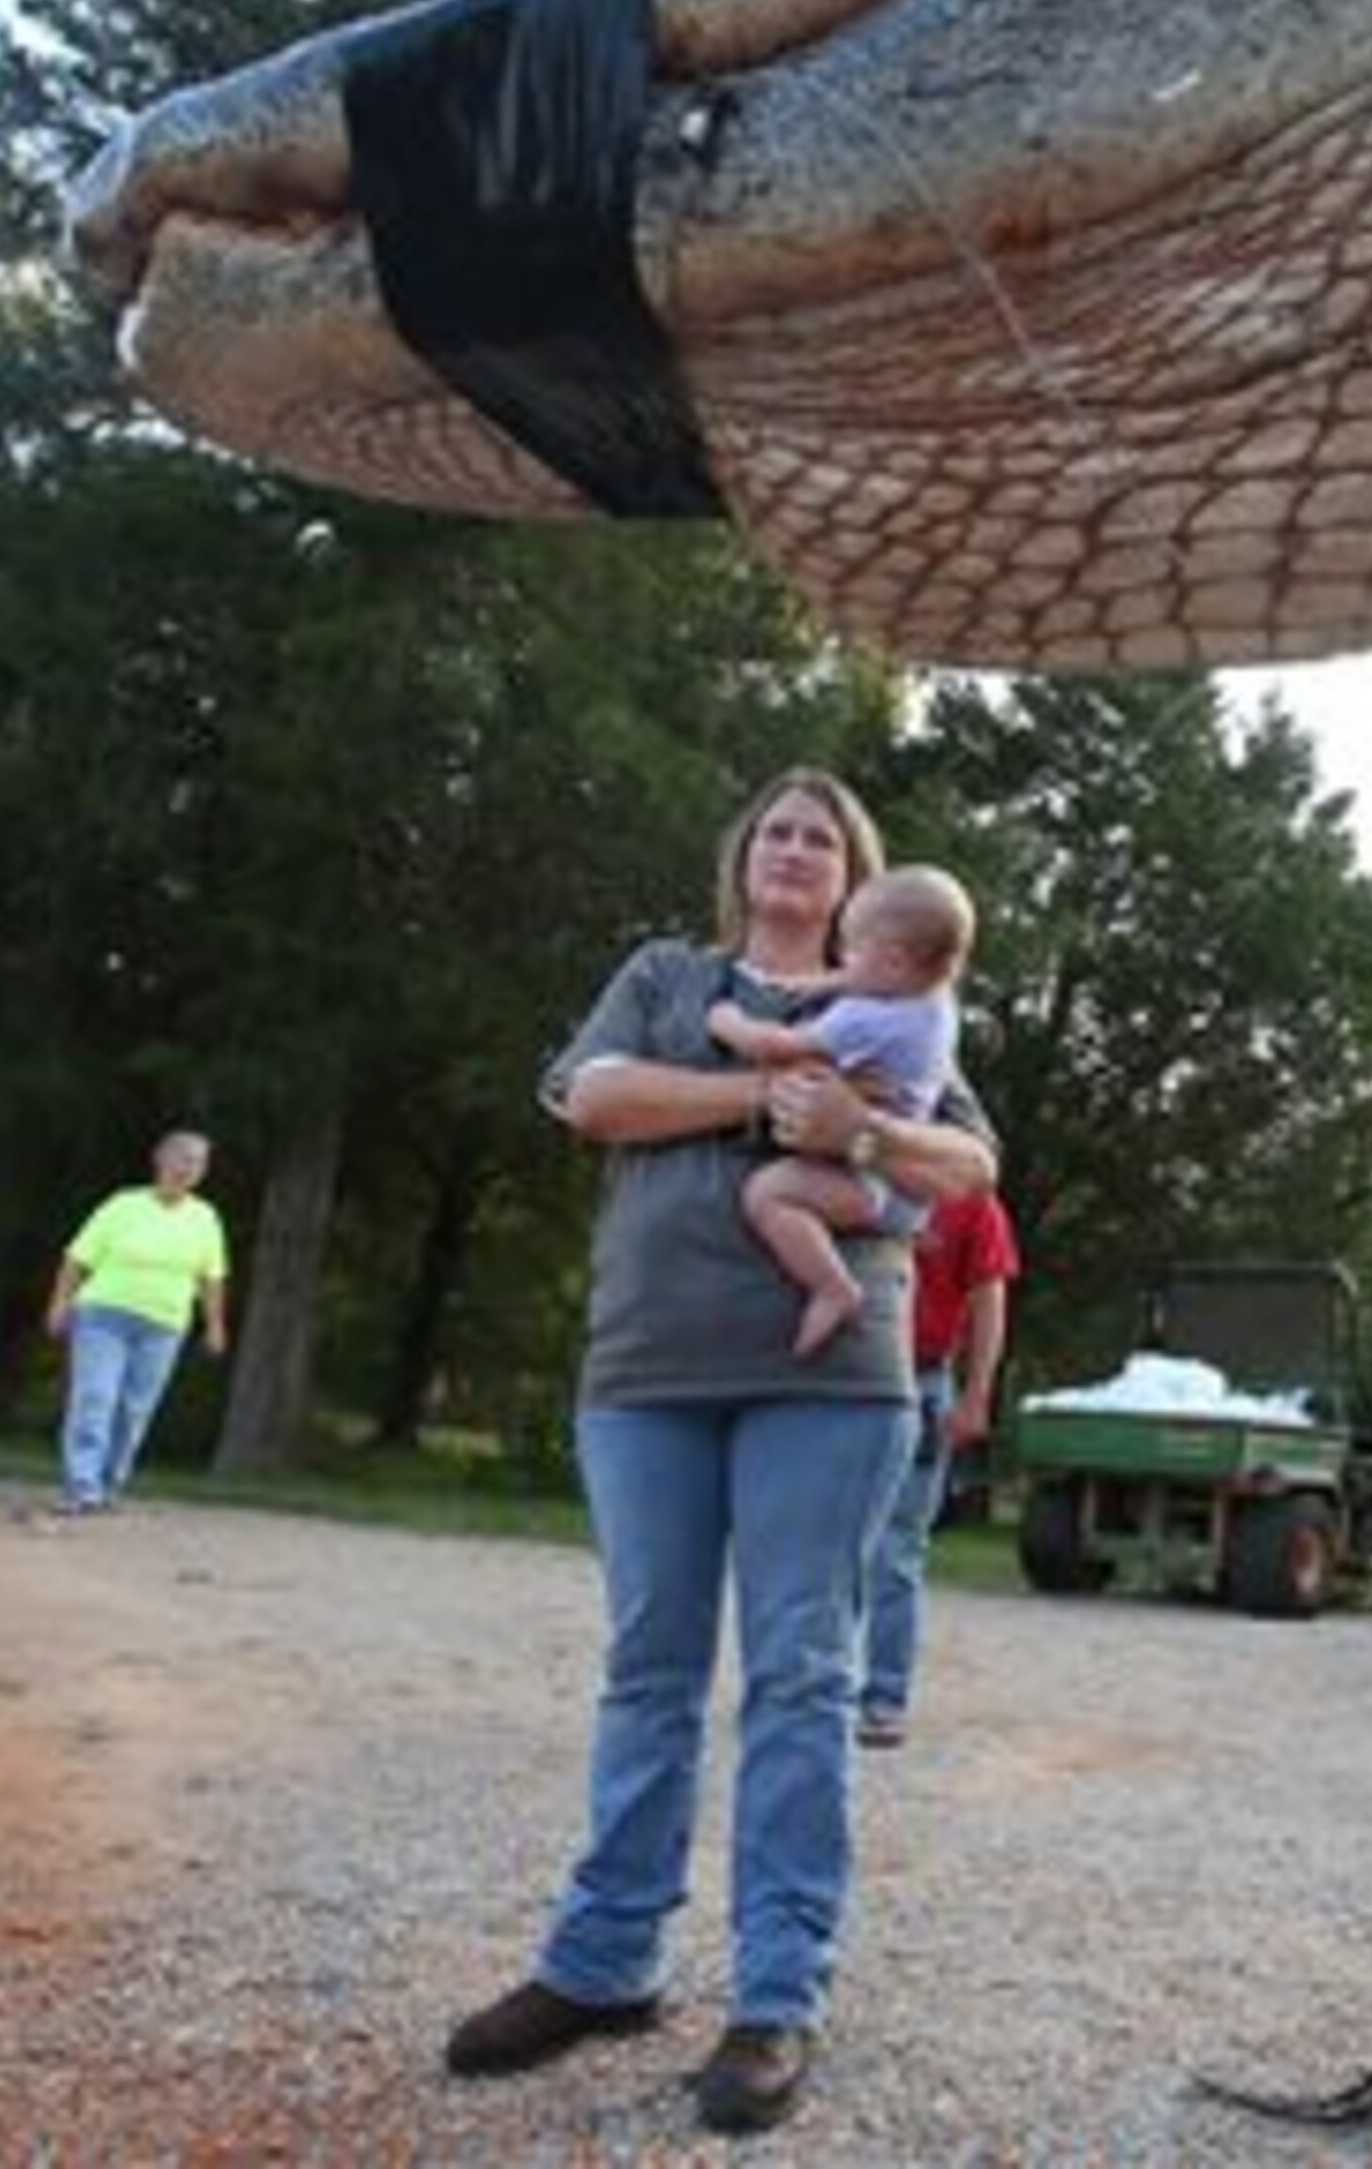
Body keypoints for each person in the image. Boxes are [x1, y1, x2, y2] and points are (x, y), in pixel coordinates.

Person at [445, 768, 994, 2138]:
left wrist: (859, 1126)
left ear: (863, 885)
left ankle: (775, 1996)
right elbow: (593, 1096)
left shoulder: (898, 1004)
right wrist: (765, 1103)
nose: (799, 849)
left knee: (803, 1674)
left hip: (831, 1376)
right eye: (779, 830)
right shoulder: (668, 974)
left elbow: (966, 1170)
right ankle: (603, 1961)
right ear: (745, 858)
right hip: (648, 1365)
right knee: (649, 1665)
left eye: (826, 837)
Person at [705, 863, 976, 1357]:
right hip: (893, 1176)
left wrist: (728, 1022)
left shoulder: (867, 1019)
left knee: (767, 1195)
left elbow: (777, 1046)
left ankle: (832, 1286)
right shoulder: (933, 1003)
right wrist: (817, 984)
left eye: (853, 947)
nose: (844, 960)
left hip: (865, 1177)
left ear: (894, 961)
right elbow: (858, 979)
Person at [855, 1184, 1016, 1749]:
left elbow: (990, 1297)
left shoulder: (969, 1197)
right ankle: (807, 1689)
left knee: (896, 1549)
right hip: (840, 1374)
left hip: (920, 1382)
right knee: (820, 1542)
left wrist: (977, 1395)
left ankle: (883, 1699)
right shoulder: (853, 1167)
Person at [39, 1128, 233, 1522]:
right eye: (181, 1157)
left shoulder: (205, 1217)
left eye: (198, 1162)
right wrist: (60, 1302)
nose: (188, 1167)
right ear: (160, 1159)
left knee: (134, 1410)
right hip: (103, 1315)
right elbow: (77, 1258)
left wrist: (215, 1325)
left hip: (164, 1325)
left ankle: (110, 1485)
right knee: (95, 1397)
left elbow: (211, 1277)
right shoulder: (122, 1205)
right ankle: (82, 1487)